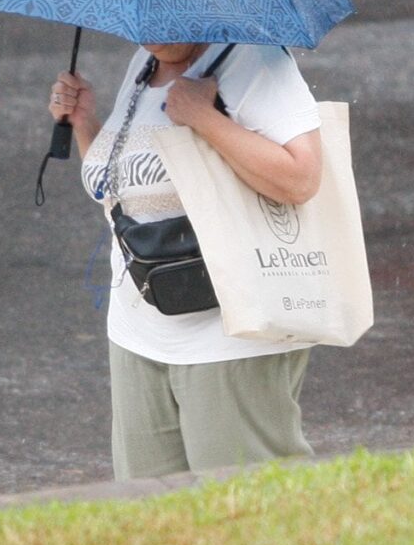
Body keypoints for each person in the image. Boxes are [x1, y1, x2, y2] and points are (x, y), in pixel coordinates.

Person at [50, 42, 324, 481]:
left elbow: (301, 179)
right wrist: (85, 125)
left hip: (231, 335)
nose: (151, 32)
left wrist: (204, 118)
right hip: (138, 331)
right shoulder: (144, 65)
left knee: (245, 502)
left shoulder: (253, 59)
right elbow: (131, 193)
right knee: (149, 509)